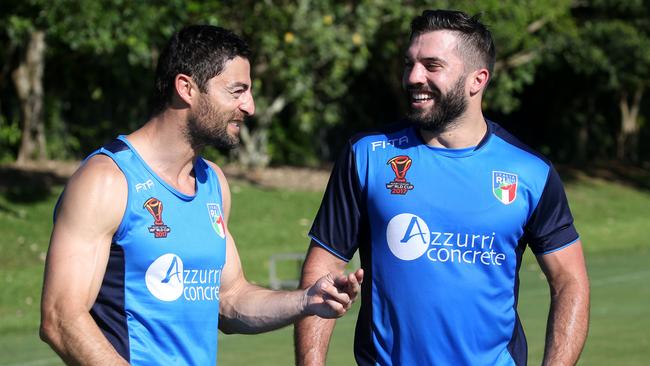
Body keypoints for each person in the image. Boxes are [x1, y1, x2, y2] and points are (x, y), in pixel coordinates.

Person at [39, 25, 363, 365]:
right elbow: (61, 318)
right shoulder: (107, 180)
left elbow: (231, 299)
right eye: (237, 91)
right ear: (186, 88)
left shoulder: (213, 183)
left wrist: (305, 301)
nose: (249, 106)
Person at [295, 9, 589, 366]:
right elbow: (321, 270)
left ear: (477, 80)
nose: (413, 77)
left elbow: (570, 280)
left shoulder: (530, 172)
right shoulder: (367, 155)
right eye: (410, 63)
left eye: (432, 65)